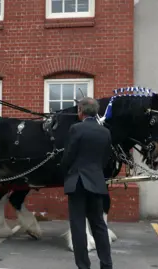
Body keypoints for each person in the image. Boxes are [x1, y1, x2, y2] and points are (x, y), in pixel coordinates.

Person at [60, 97, 113, 269]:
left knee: (78, 226)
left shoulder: (76, 128)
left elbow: (69, 155)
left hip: (78, 182)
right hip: (96, 182)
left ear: (80, 111)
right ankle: (106, 264)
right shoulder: (105, 132)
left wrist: (65, 169)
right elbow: (105, 159)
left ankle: (83, 266)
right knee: (99, 225)